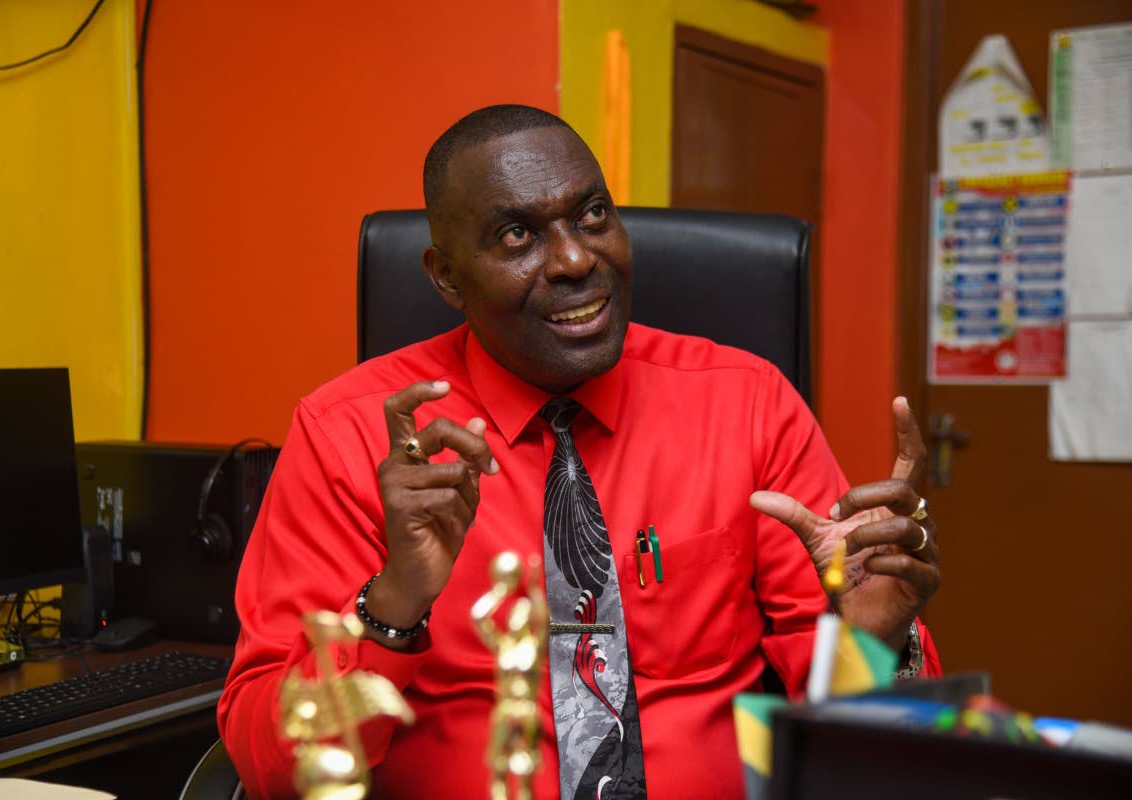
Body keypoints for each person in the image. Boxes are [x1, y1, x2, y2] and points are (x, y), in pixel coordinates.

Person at [217, 105, 942, 800]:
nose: (573, 259)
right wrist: (394, 604)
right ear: (447, 277)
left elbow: (866, 745)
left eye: (592, 215)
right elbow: (271, 769)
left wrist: (875, 641)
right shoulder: (349, 436)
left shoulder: (747, 404)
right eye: (516, 236)